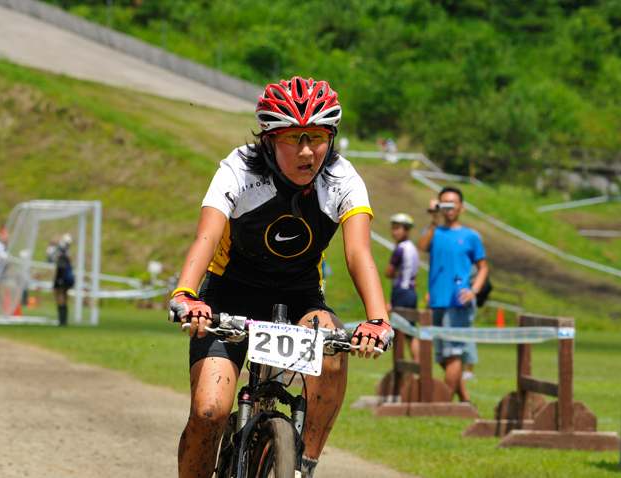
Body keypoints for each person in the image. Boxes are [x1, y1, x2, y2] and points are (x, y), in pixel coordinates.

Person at [169, 76, 393, 478]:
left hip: (300, 297)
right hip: (229, 296)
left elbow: (360, 251)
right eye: (293, 138)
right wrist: (187, 293)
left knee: (333, 355)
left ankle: (302, 465)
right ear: (270, 140)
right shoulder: (238, 168)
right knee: (209, 412)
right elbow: (208, 234)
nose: (307, 151)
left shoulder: (342, 178)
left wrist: (377, 319)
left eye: (317, 137)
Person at [418, 186, 488, 404]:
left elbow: (483, 267)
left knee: (453, 353)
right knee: (442, 354)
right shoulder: (434, 232)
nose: (448, 209)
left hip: (458, 303)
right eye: (444, 204)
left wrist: (474, 290)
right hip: (436, 301)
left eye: (452, 204)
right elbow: (422, 246)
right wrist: (433, 218)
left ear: (461, 207)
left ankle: (444, 401)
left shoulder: (470, 236)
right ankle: (464, 400)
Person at [384, 212, 419, 360]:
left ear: (407, 230)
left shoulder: (400, 248)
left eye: (398, 228)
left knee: (398, 332)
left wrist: (395, 273)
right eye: (393, 228)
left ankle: (399, 370)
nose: (394, 232)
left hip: (401, 292)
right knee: (411, 331)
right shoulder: (412, 248)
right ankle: (417, 363)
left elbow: (388, 272)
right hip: (411, 292)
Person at [49, 234, 74, 326]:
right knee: (65, 300)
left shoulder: (61, 261)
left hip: (61, 284)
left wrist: (55, 285)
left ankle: (62, 321)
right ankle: (64, 321)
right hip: (67, 283)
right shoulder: (67, 260)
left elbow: (58, 275)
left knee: (60, 301)